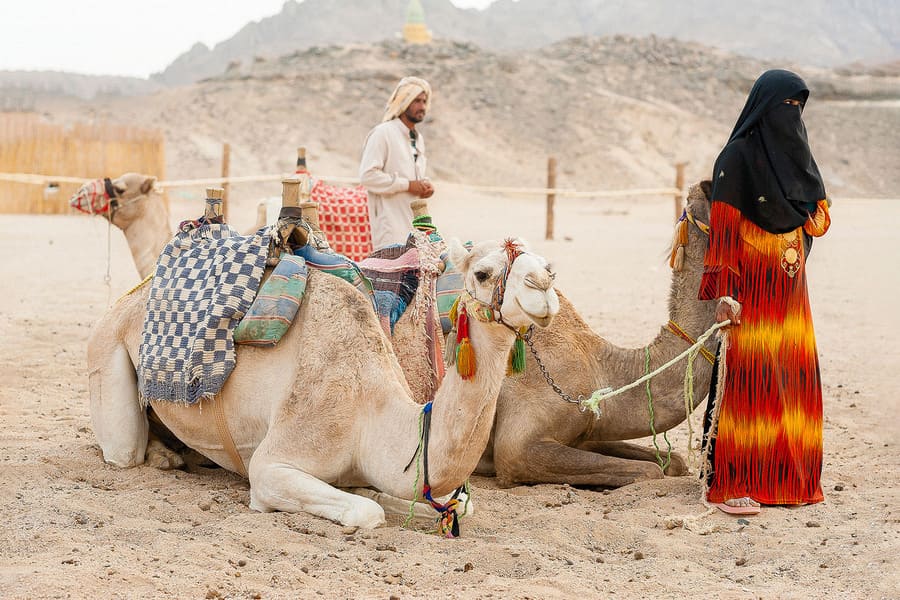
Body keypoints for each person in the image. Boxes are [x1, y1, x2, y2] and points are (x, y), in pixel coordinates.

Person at [699, 69, 832, 515]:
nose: (792, 116)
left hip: (792, 298)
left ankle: (789, 481)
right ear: (764, 108)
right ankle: (734, 484)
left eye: (799, 107)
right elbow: (722, 235)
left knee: (792, 381)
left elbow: (816, 220)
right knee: (752, 385)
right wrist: (726, 293)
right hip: (751, 295)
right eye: (785, 107)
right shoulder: (734, 159)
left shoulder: (798, 158)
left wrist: (800, 221)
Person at [359, 76, 435, 249]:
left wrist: (424, 186)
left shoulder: (417, 138)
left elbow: (412, 175)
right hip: (389, 228)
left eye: (424, 101)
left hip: (415, 228)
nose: (422, 106)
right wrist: (407, 185)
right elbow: (367, 176)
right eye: (416, 101)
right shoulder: (383, 133)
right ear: (404, 102)